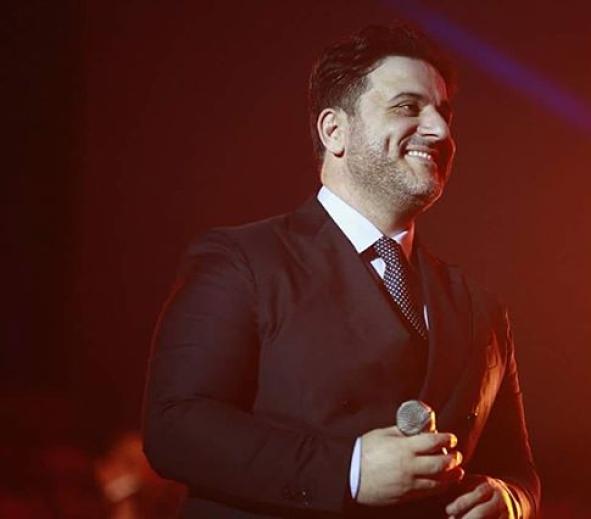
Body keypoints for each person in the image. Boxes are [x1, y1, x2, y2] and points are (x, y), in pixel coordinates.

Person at [143, 24, 540, 518]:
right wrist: (347, 470)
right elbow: (176, 426)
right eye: (408, 107)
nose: (439, 130)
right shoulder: (241, 261)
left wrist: (510, 500)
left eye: (444, 113)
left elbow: (517, 471)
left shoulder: (482, 309)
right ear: (334, 131)